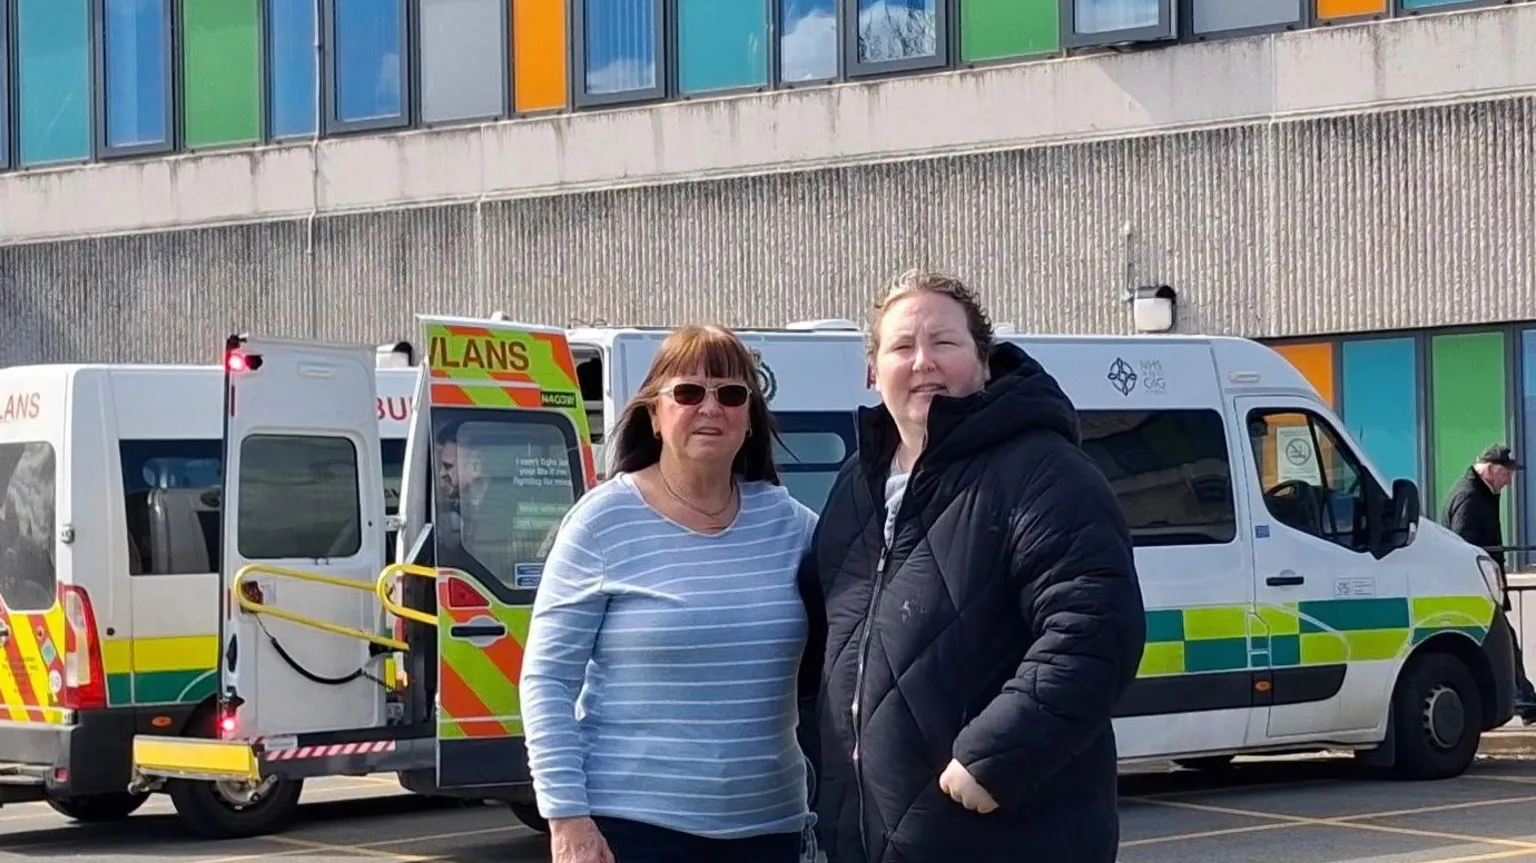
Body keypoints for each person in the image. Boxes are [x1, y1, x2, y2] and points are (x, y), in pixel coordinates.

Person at [807, 269, 1147, 863]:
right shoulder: (855, 489)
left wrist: (993, 759)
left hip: (1002, 831)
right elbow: (822, 644)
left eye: (944, 342)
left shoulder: (1045, 472)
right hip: (865, 839)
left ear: (984, 360)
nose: (923, 362)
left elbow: (1095, 630)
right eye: (902, 347)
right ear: (872, 372)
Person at [520, 324, 825, 863]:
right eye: (688, 392)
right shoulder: (601, 522)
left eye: (731, 394)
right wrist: (566, 819)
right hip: (632, 829)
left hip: (769, 828)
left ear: (749, 419)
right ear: (655, 415)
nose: (710, 408)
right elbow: (547, 680)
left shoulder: (792, 525)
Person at [1443, 444, 1536, 721]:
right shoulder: (1470, 497)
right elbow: (1463, 546)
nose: (1509, 481)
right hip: (1475, 588)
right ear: (1491, 470)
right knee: (1502, 643)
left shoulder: (1480, 493)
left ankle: (1523, 700)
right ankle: (1522, 701)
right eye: (1506, 474)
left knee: (1504, 642)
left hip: (1481, 586)